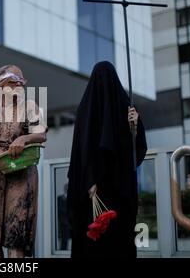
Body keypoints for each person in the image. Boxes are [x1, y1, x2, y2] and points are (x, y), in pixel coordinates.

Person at [67, 61, 147, 258]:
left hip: (120, 187)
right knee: (94, 241)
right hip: (93, 189)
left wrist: (135, 127)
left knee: (119, 236)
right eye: (100, 77)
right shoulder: (86, 110)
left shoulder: (127, 109)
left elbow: (135, 152)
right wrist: (90, 180)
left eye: (107, 77)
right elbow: (83, 150)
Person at [0, 65, 47, 258]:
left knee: (16, 235)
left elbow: (40, 134)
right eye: (12, 82)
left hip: (22, 173)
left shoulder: (30, 106)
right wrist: (3, 158)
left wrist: (24, 139)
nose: (18, 86)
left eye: (20, 82)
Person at [57, 183, 70, 250]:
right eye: (66, 188)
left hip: (71, 222)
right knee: (64, 240)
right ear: (64, 189)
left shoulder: (73, 199)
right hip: (63, 223)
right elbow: (59, 210)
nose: (67, 189)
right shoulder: (59, 198)